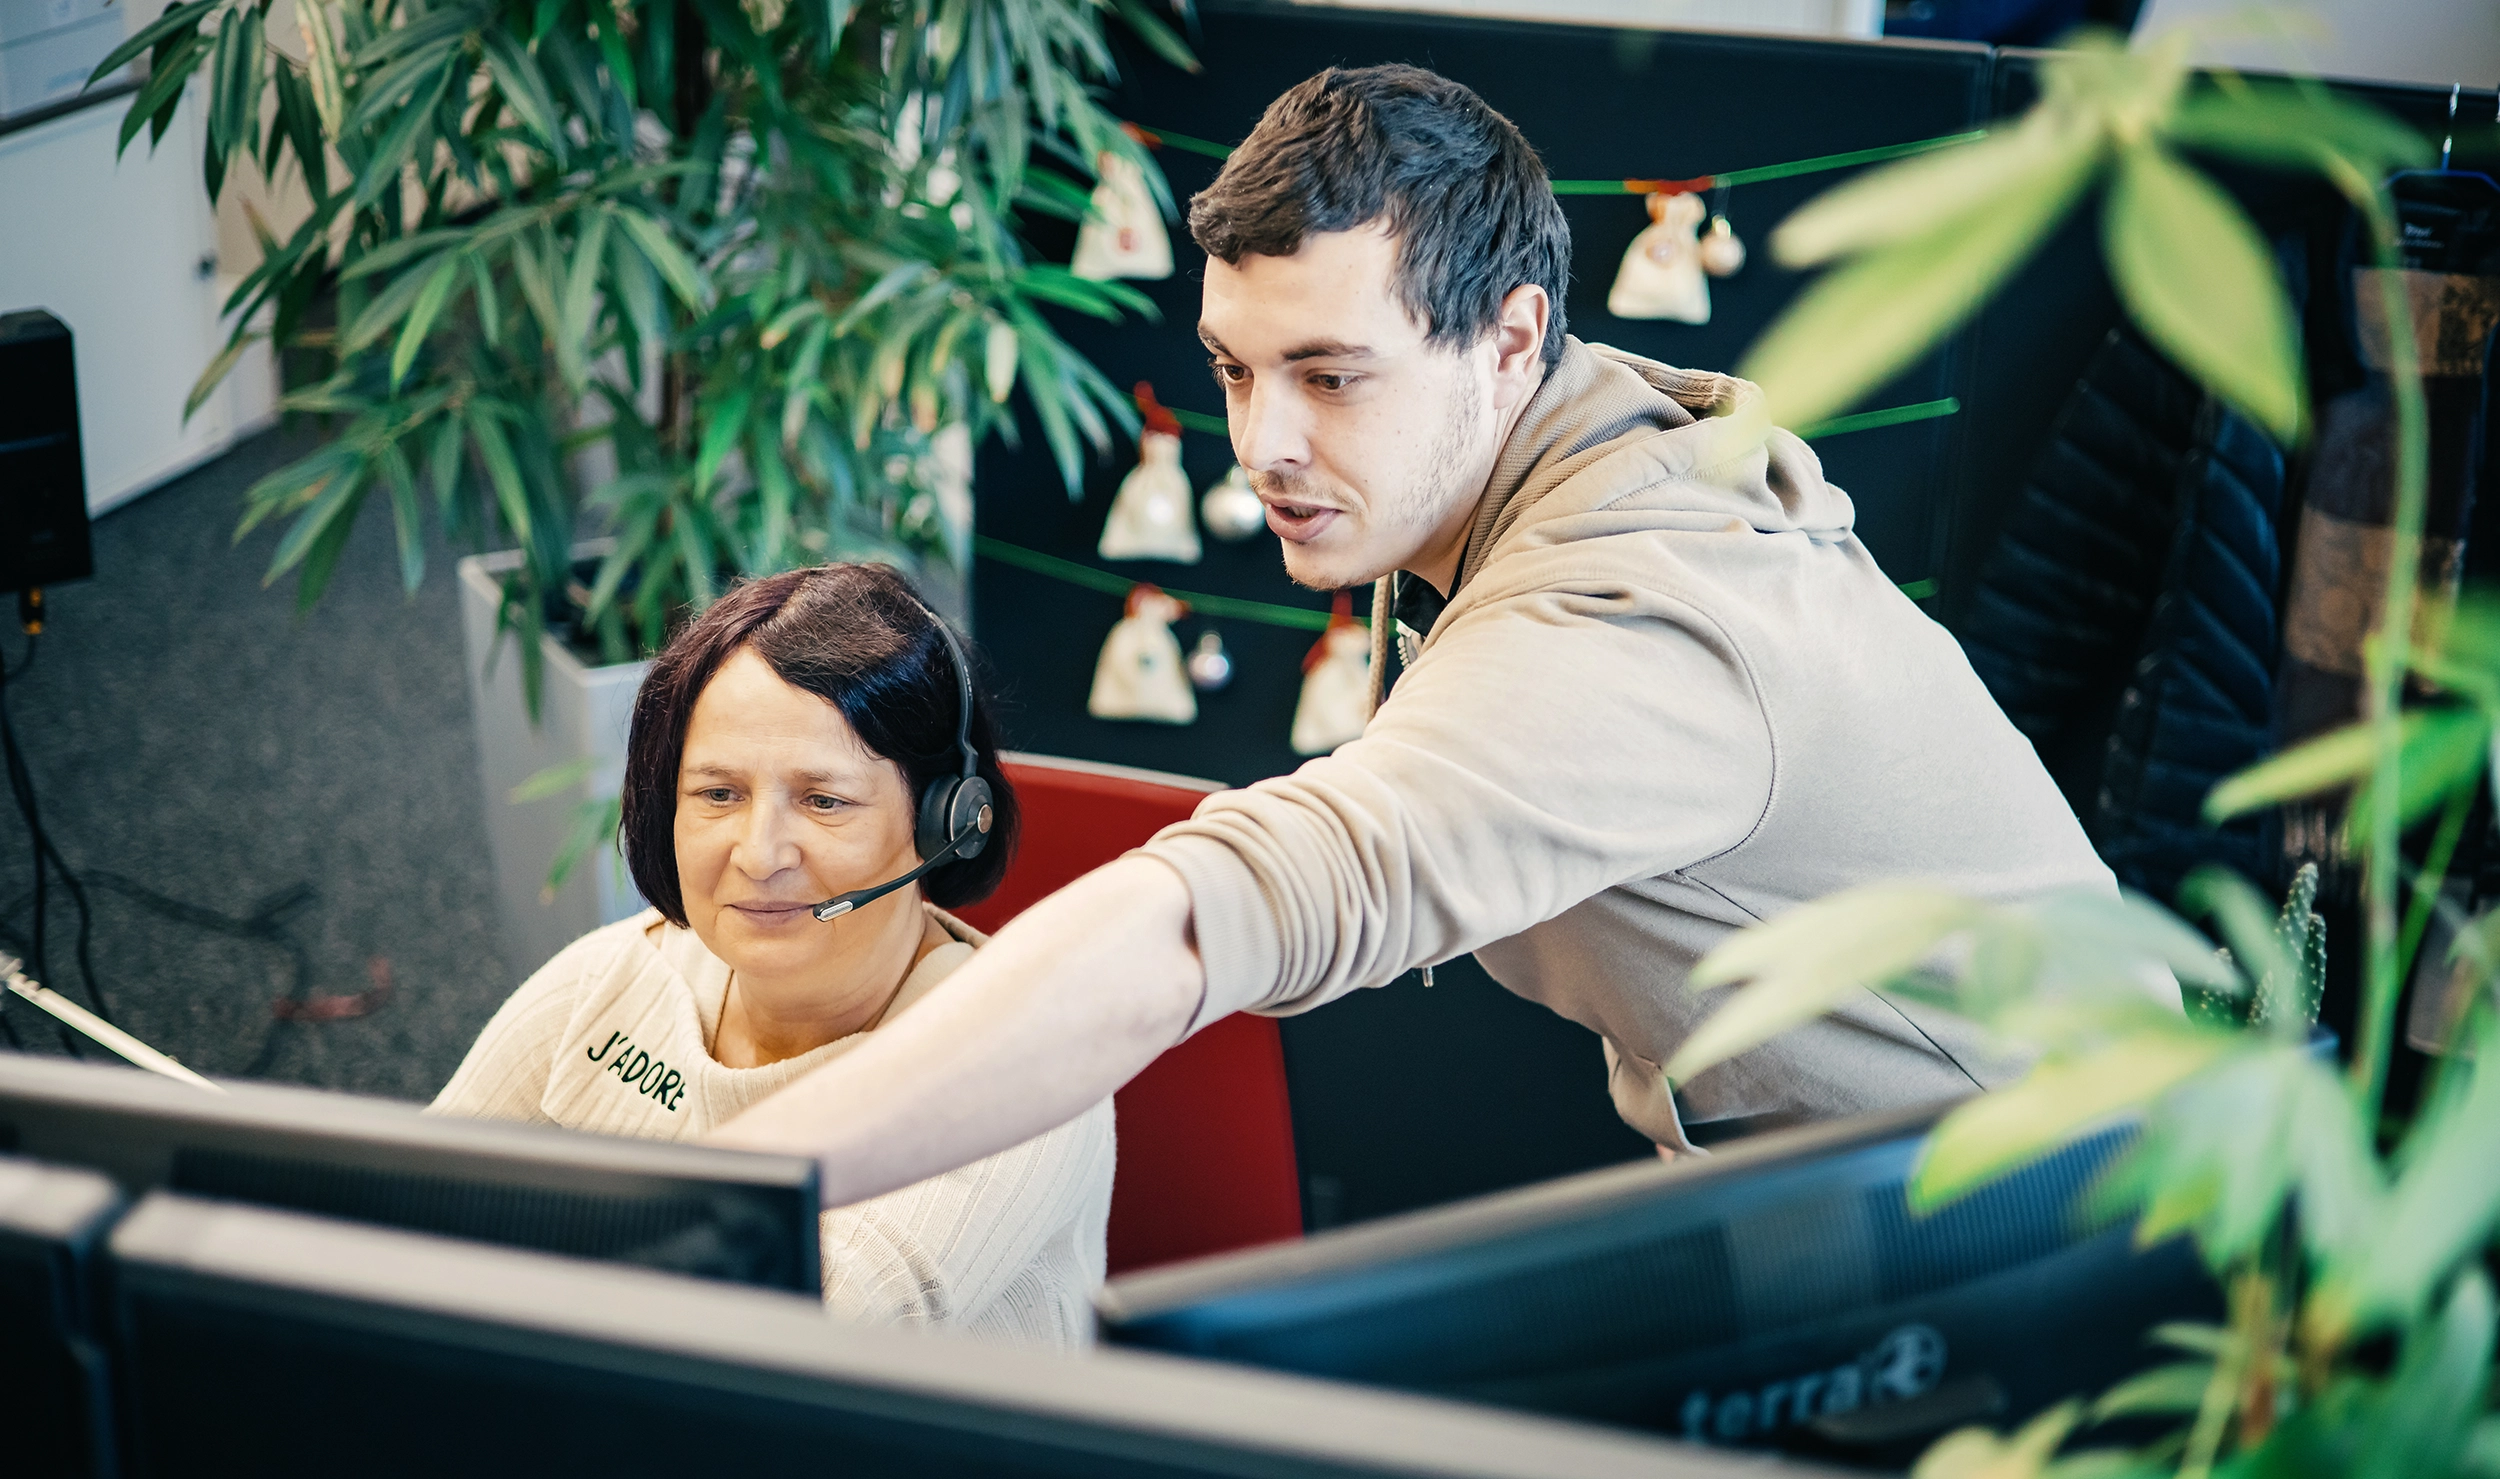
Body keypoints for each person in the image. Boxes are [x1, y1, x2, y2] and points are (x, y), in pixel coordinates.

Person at [705, 66, 2112, 1207]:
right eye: (1234, 369)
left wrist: (723, 1204)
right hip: (1854, 1190)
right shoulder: (1541, 451)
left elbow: (1226, 910)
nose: (1262, 443)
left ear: (1509, 339)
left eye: (1330, 377)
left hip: (2060, 1218)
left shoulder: (1635, 611)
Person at [430, 564, 1112, 1345]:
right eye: (718, 793)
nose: (758, 855)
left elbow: (801, 1335)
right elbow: (397, 1221)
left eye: (823, 800)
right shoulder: (616, 979)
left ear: (947, 823)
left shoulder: (1026, 1069)